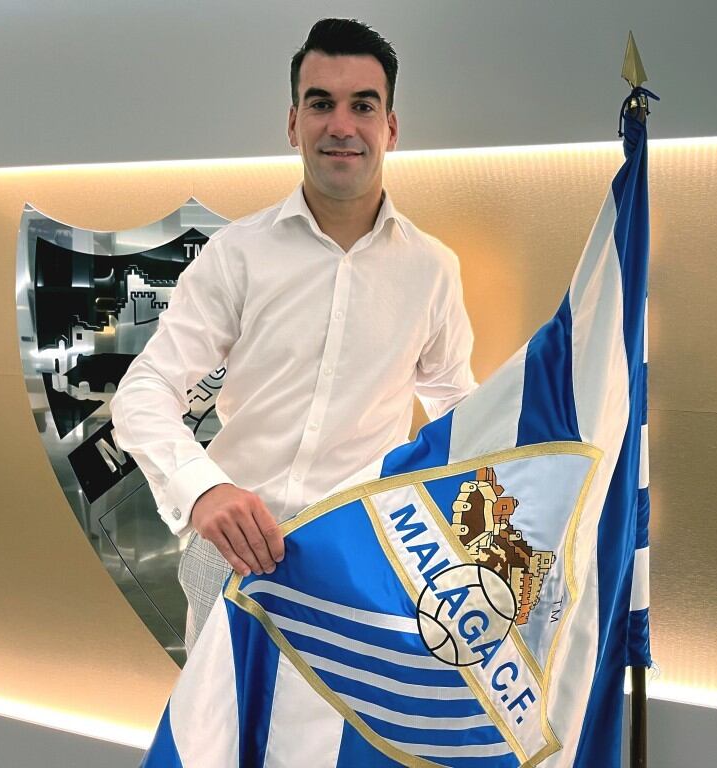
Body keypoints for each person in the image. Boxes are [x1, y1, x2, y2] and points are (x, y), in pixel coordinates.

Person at [110, 18, 477, 653]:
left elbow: (458, 411)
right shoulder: (236, 255)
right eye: (321, 104)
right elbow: (143, 392)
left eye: (363, 105)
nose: (342, 124)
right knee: (221, 745)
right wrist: (203, 489)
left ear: (389, 127)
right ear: (292, 124)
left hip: (363, 567)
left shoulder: (432, 268)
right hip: (232, 559)